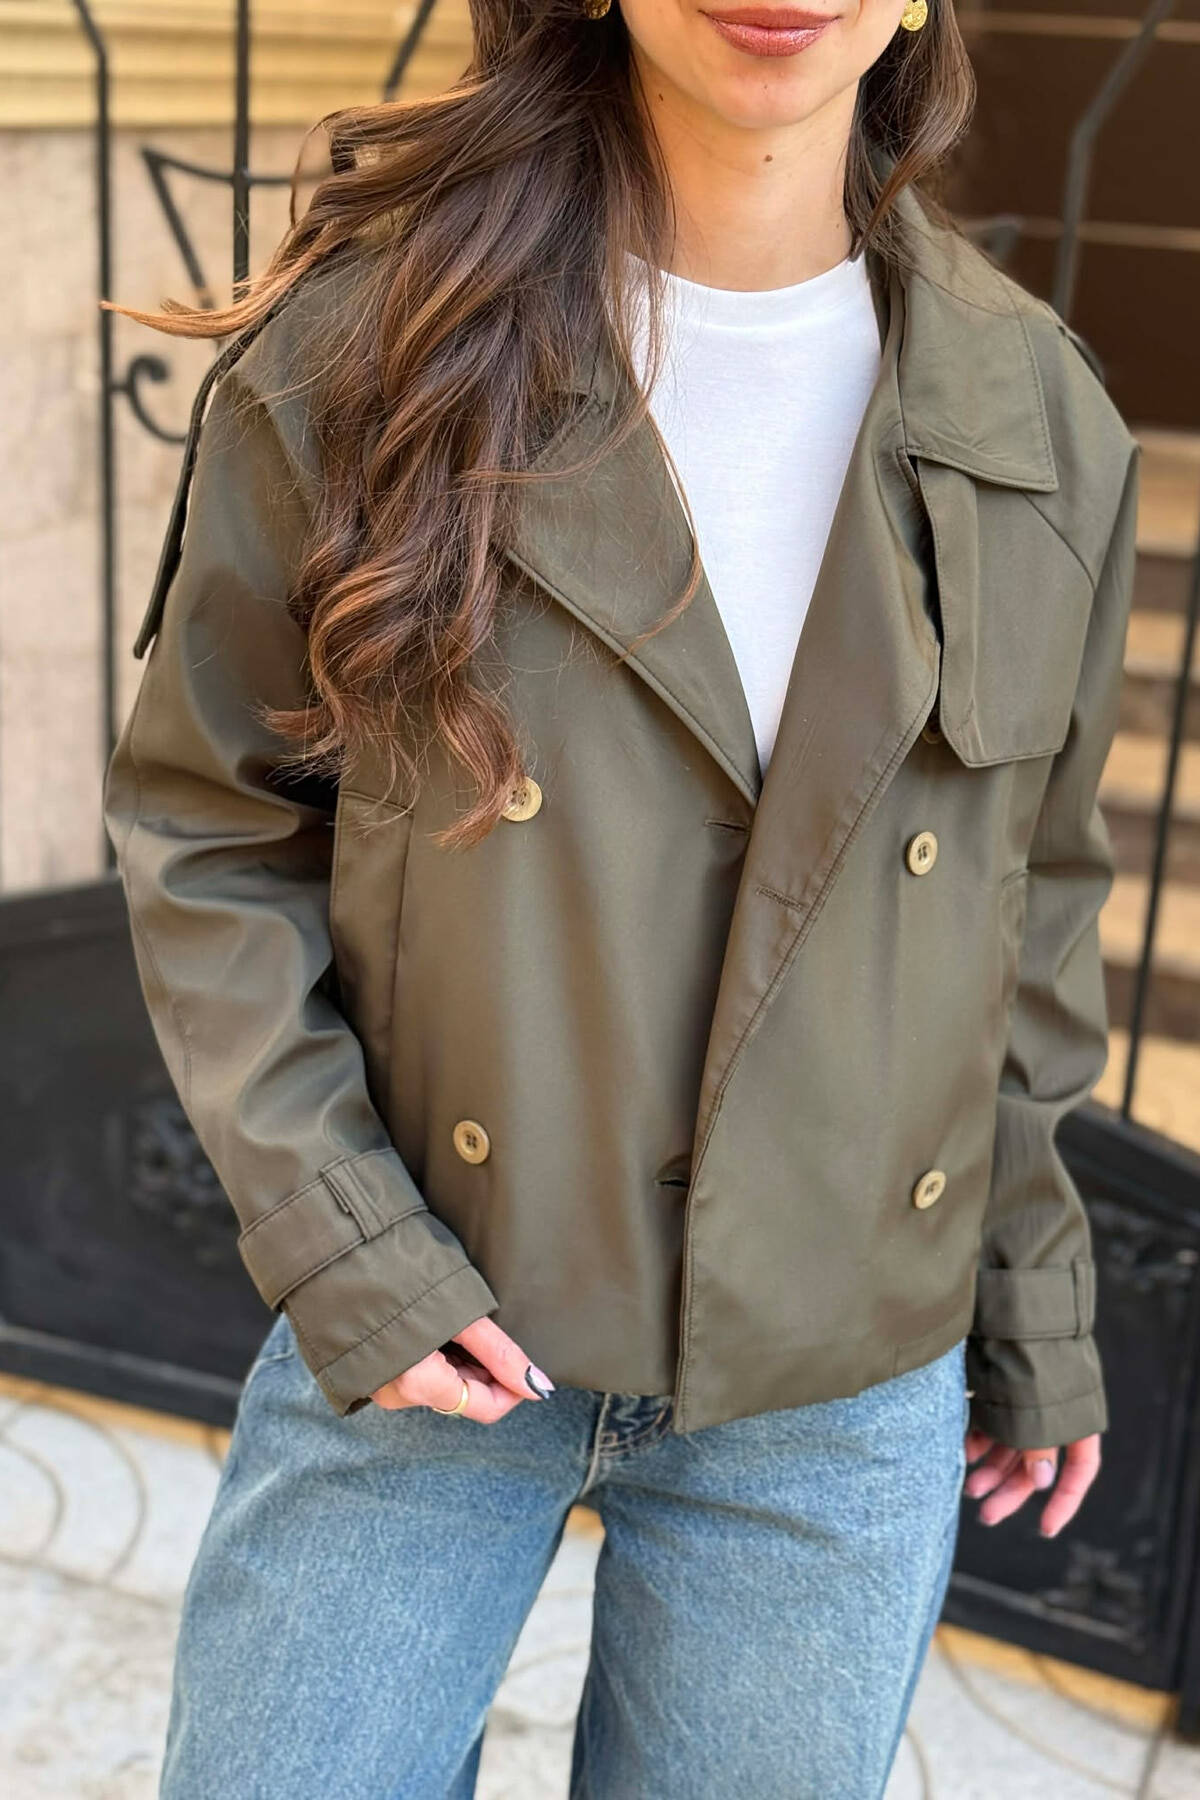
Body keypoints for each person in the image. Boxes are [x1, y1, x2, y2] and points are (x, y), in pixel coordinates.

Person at [103, 1, 1140, 1794]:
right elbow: (213, 830)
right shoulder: (373, 348)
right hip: (438, 1331)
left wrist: (1033, 1295)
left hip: (835, 1386)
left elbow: (1027, 920)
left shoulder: (1041, 416)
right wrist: (348, 1246)